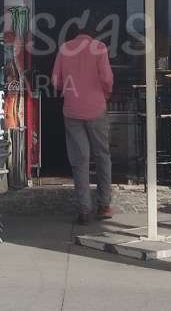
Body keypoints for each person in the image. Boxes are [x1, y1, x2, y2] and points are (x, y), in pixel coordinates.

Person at [51, 19, 114, 225]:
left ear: (76, 33)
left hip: (72, 110)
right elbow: (107, 79)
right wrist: (105, 94)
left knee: (80, 160)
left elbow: (55, 81)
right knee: (102, 155)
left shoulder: (64, 49)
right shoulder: (99, 48)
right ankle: (104, 204)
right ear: (94, 34)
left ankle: (84, 209)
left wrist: (67, 92)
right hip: (96, 108)